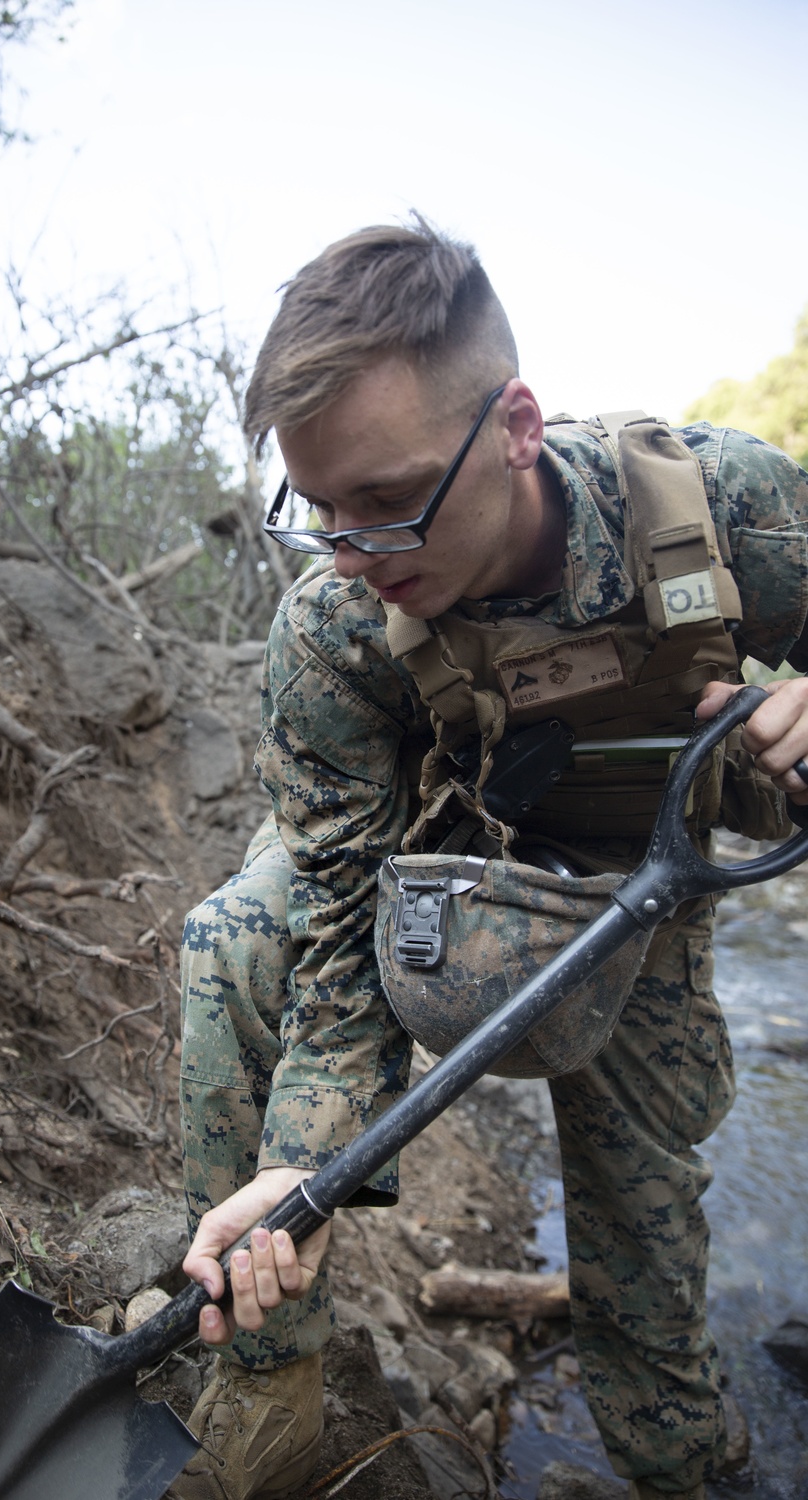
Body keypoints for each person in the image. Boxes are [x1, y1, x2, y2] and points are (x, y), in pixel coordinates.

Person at [171, 219, 808, 1500]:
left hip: (641, 877)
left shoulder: (726, 505)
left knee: (642, 1213)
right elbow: (342, 933)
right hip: (421, 866)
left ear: (514, 424)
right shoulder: (335, 629)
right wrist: (308, 1157)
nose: (354, 553)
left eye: (389, 502)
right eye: (320, 510)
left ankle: (676, 1461)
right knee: (240, 943)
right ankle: (268, 1391)